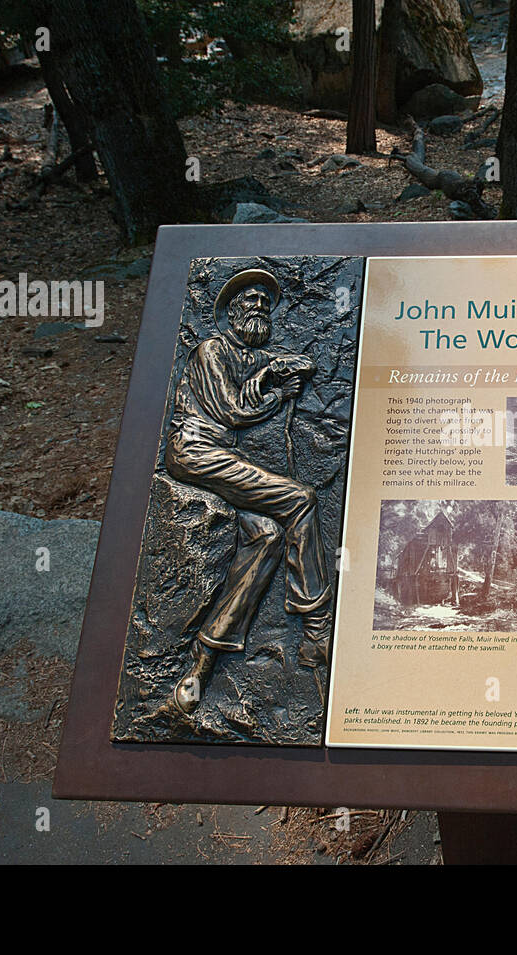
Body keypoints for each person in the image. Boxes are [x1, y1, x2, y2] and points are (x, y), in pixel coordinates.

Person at [165, 269, 333, 716]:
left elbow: (290, 364)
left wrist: (281, 371)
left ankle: (203, 660)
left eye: (265, 303)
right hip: (196, 452)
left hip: (216, 457)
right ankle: (317, 627)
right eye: (251, 300)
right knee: (301, 499)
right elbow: (234, 410)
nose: (259, 307)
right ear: (230, 311)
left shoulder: (245, 355)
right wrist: (276, 396)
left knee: (267, 537)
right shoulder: (210, 351)